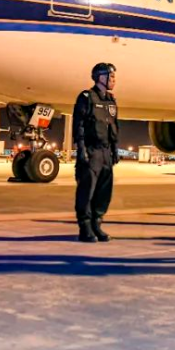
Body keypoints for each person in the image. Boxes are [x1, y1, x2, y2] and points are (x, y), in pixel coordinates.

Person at [72, 62, 121, 242]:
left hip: (106, 152)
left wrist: (115, 148)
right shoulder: (86, 97)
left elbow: (114, 126)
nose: (114, 80)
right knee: (87, 191)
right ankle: (85, 227)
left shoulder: (111, 100)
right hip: (91, 151)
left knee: (104, 191)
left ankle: (96, 223)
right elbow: (79, 125)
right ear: (101, 77)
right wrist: (81, 149)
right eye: (111, 77)